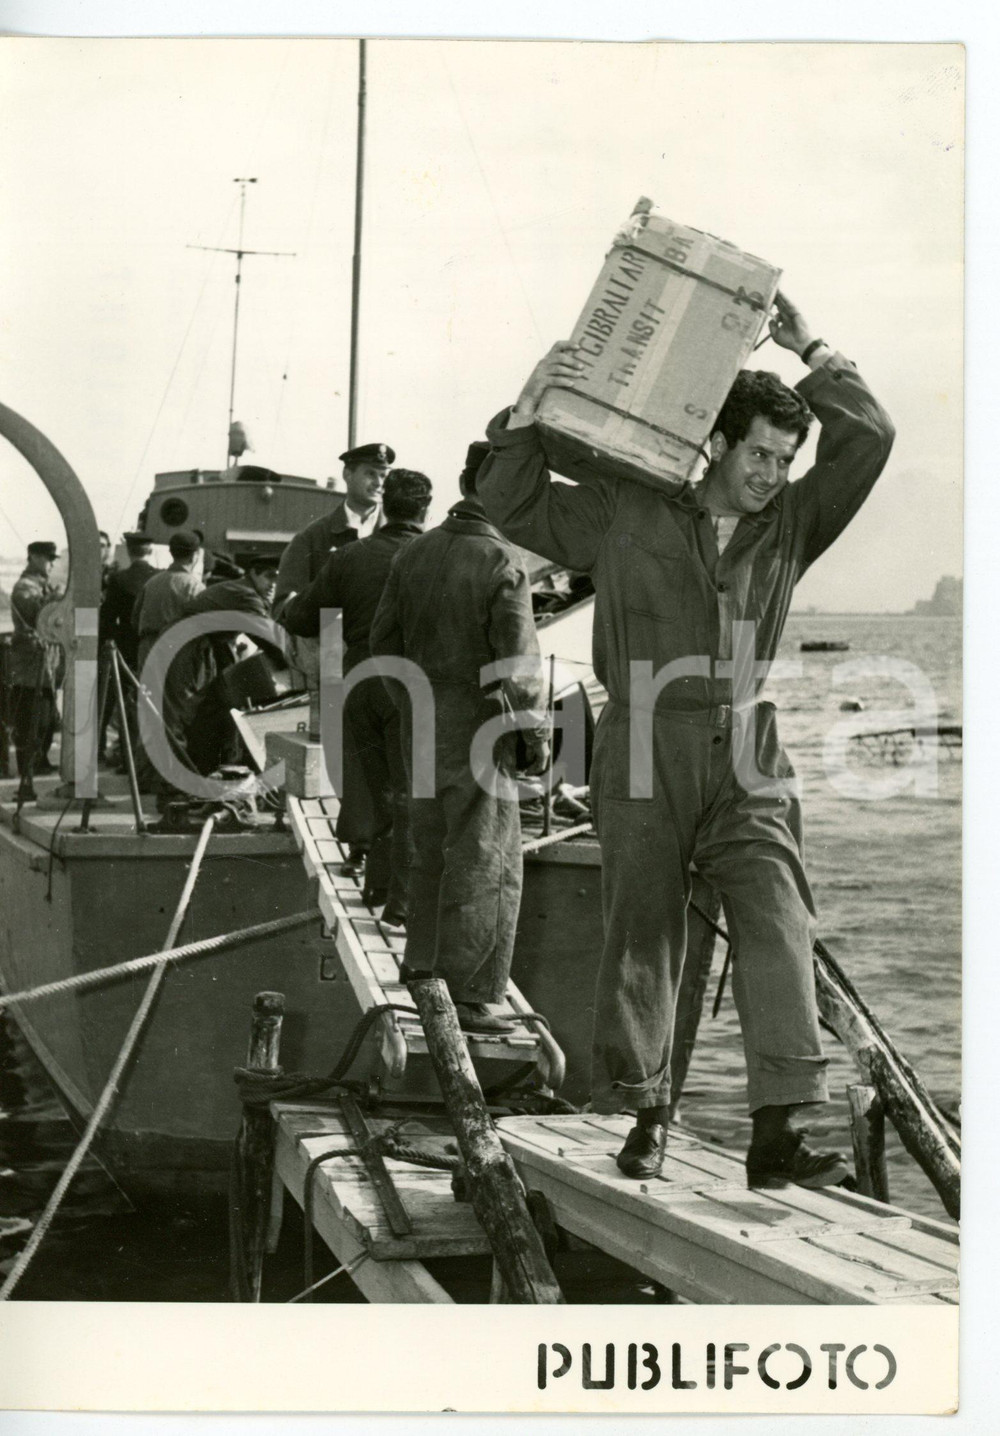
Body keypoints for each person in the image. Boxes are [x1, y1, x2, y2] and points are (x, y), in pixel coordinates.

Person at [477, 292, 895, 1185]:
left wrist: (812, 346)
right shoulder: (624, 507)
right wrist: (524, 407)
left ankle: (776, 1127)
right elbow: (508, 499)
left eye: (786, 460)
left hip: (746, 744)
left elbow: (872, 437)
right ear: (717, 441)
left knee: (779, 915)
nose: (773, 475)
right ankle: (647, 1114)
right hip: (639, 737)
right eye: (760, 454)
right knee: (643, 934)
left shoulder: (793, 522)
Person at [370, 442, 550, 1034]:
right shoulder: (504, 560)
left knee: (430, 850)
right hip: (478, 725)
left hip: (421, 717)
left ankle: (423, 972)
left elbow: (382, 644)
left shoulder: (415, 552)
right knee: (485, 858)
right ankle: (471, 998)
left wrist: (411, 703)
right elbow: (520, 671)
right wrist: (534, 740)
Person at [283, 469, 433, 925]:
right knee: (412, 791)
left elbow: (303, 617)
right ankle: (401, 906)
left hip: (362, 683)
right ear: (426, 509)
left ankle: (377, 884)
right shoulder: (436, 555)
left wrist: (288, 603)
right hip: (411, 685)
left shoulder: (351, 556)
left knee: (379, 786)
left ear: (385, 505)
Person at [166, 552, 283, 777]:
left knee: (212, 711)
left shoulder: (243, 590)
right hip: (189, 649)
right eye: (269, 577)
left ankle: (204, 776)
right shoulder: (246, 595)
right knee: (183, 716)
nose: (273, 585)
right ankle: (176, 788)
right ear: (253, 574)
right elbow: (270, 638)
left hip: (203, 647)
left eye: (278, 579)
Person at [273, 442, 396, 614]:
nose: (378, 483)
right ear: (348, 475)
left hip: (382, 639)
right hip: (331, 637)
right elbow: (284, 608)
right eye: (370, 474)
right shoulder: (312, 538)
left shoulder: (399, 536)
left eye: (383, 476)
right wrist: (330, 631)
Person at [98, 531, 158, 766]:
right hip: (152, 647)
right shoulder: (158, 576)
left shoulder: (119, 579)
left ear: (130, 551)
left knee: (122, 702)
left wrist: (105, 641)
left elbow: (108, 617)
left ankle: (125, 755)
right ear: (150, 551)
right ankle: (143, 758)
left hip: (123, 649)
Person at [8, 540, 62, 794]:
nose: (52, 563)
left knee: (46, 718)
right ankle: (27, 770)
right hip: (30, 665)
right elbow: (36, 614)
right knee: (32, 717)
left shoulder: (42, 585)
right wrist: (55, 599)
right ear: (33, 557)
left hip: (45, 663)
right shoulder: (25, 587)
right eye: (47, 558)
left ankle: (39, 762)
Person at [134, 530, 204, 674]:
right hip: (177, 654)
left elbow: (135, 619)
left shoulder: (151, 582)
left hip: (147, 651)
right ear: (194, 556)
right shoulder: (195, 587)